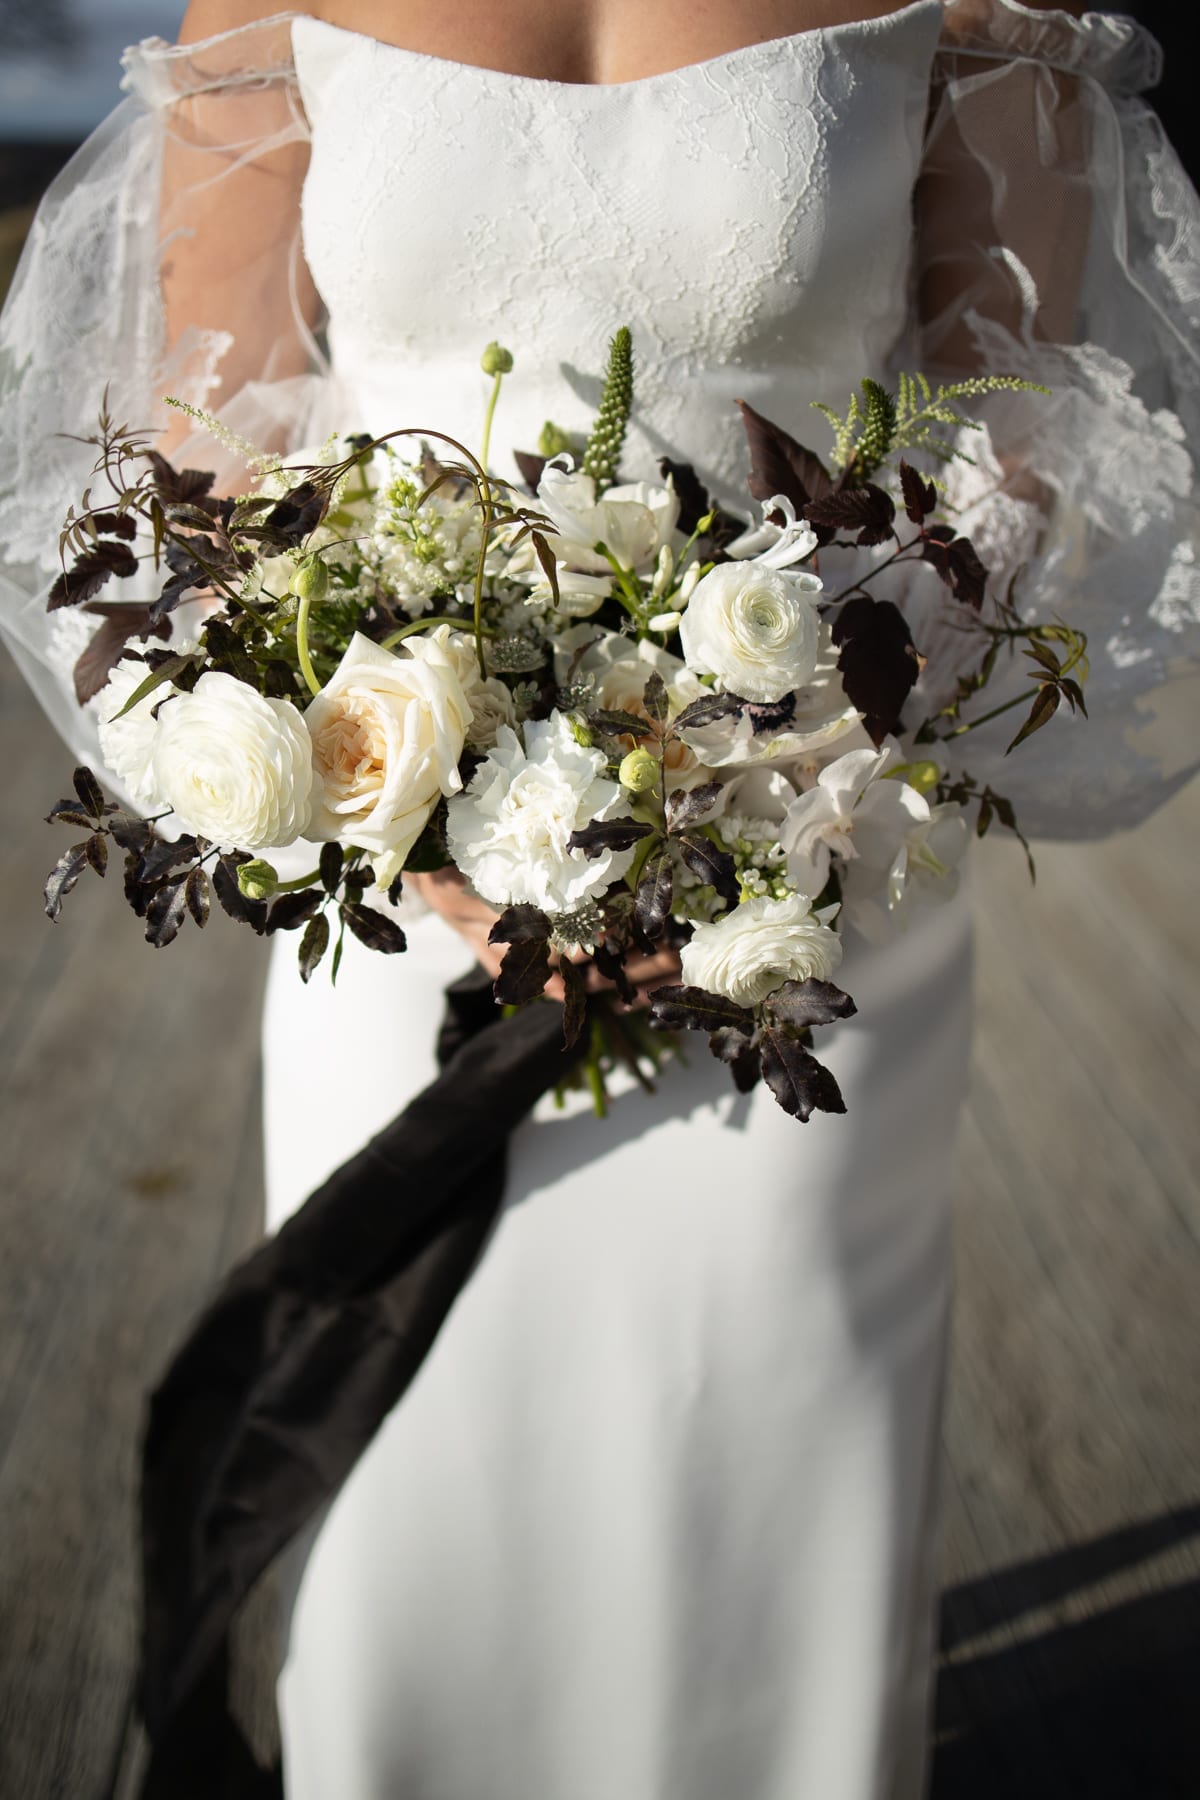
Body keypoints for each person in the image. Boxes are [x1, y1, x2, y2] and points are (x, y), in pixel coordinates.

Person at [0, 1, 1196, 1795]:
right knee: (425, 1480)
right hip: (400, 893)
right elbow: (211, 410)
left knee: (759, 1456)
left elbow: (1019, 408)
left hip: (805, 893)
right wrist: (404, 802)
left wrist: (752, 785)